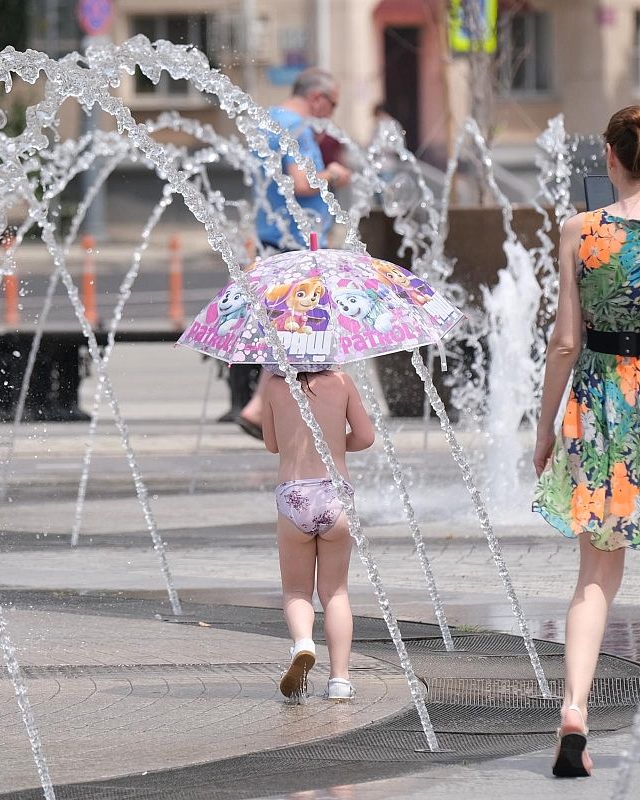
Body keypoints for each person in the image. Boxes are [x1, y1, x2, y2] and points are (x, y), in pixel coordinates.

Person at [533, 105, 640, 778]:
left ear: (609, 156)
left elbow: (565, 343)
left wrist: (543, 428)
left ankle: (574, 711)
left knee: (594, 578)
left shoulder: (579, 231)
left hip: (600, 407)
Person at [230, 68, 352, 434]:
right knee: (304, 331)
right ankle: (259, 408)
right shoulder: (297, 128)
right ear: (317, 98)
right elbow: (303, 183)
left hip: (272, 238)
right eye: (332, 105)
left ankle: (266, 408)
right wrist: (333, 173)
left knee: (290, 330)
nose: (330, 115)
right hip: (298, 243)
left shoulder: (267, 121)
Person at [261, 363, 374, 700]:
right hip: (335, 497)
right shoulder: (341, 381)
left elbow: (271, 444)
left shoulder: (274, 385)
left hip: (293, 494)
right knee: (336, 593)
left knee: (297, 591)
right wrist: (336, 443)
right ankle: (340, 680)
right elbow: (366, 437)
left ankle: (303, 643)